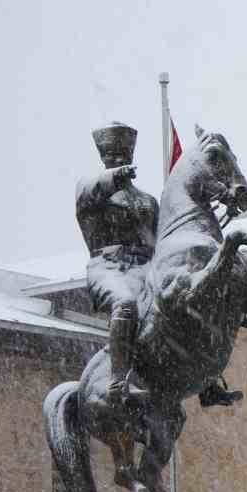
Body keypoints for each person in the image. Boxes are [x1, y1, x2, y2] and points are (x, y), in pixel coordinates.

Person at [76, 121, 160, 407]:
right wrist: (115, 176)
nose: (118, 160)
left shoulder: (148, 200)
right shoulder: (91, 192)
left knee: (183, 299)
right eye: (112, 156)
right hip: (109, 267)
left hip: (145, 268)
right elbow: (92, 190)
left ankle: (208, 381)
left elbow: (161, 239)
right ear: (103, 158)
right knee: (126, 304)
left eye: (123, 155)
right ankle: (117, 382)